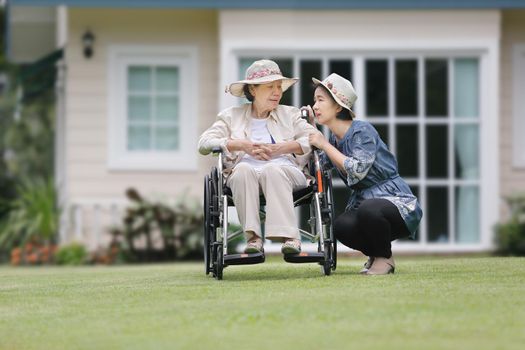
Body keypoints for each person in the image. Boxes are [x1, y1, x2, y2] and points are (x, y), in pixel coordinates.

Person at [305, 73, 422, 275]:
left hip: (396, 202)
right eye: (315, 100)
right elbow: (319, 166)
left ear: (339, 107)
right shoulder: (334, 139)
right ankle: (379, 254)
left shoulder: (362, 131)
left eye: (320, 100)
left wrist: (323, 143)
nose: (315, 106)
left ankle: (384, 260)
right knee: (341, 226)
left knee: (369, 209)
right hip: (365, 205)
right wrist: (310, 132)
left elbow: (356, 170)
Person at [198, 60, 318, 255]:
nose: (277, 92)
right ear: (253, 90)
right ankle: (253, 239)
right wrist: (241, 145)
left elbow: (314, 138)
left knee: (273, 169)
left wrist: (281, 149)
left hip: (287, 173)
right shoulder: (231, 116)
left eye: (279, 86)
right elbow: (204, 143)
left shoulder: (291, 114)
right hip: (245, 175)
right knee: (243, 170)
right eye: (270, 86)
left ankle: (290, 238)